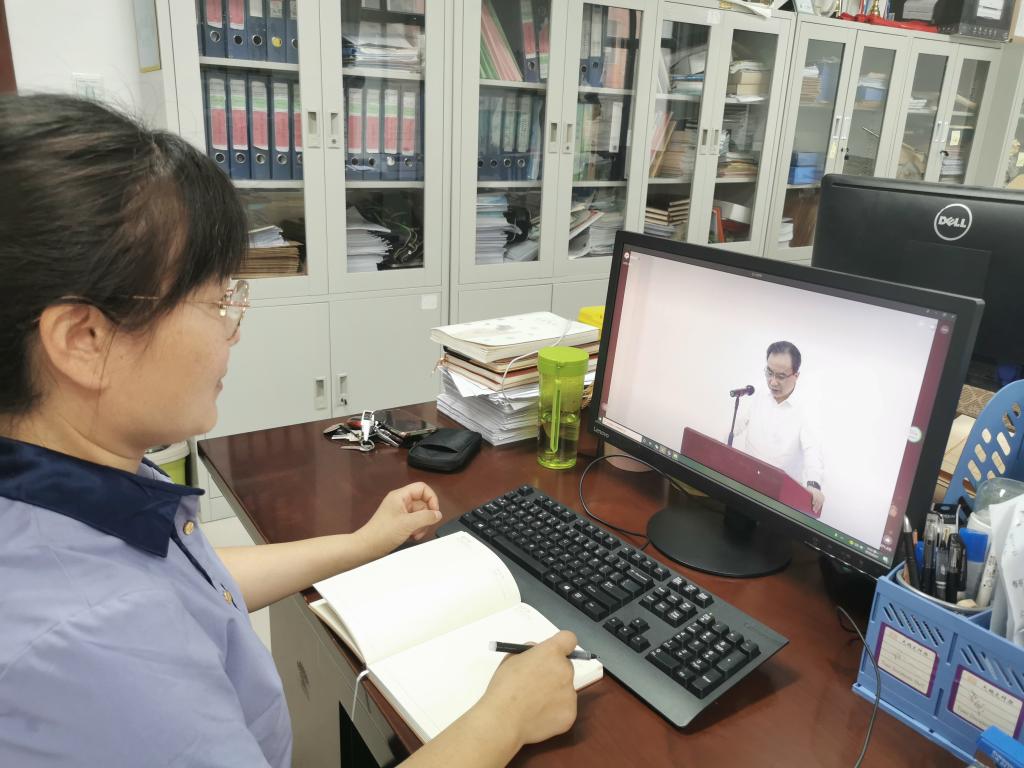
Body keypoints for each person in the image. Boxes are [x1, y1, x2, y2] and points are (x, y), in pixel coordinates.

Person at [0, 94, 578, 767]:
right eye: (217, 300)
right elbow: (140, 606)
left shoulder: (63, 486)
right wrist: (504, 717)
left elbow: (193, 578)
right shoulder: (98, 643)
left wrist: (362, 544)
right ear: (84, 339)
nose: (233, 330)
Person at [732, 341, 825, 515]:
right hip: (746, 484)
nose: (773, 382)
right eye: (769, 373)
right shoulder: (758, 394)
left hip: (780, 498)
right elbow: (735, 426)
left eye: (781, 376)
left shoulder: (807, 409)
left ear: (796, 375)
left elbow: (813, 451)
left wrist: (813, 484)